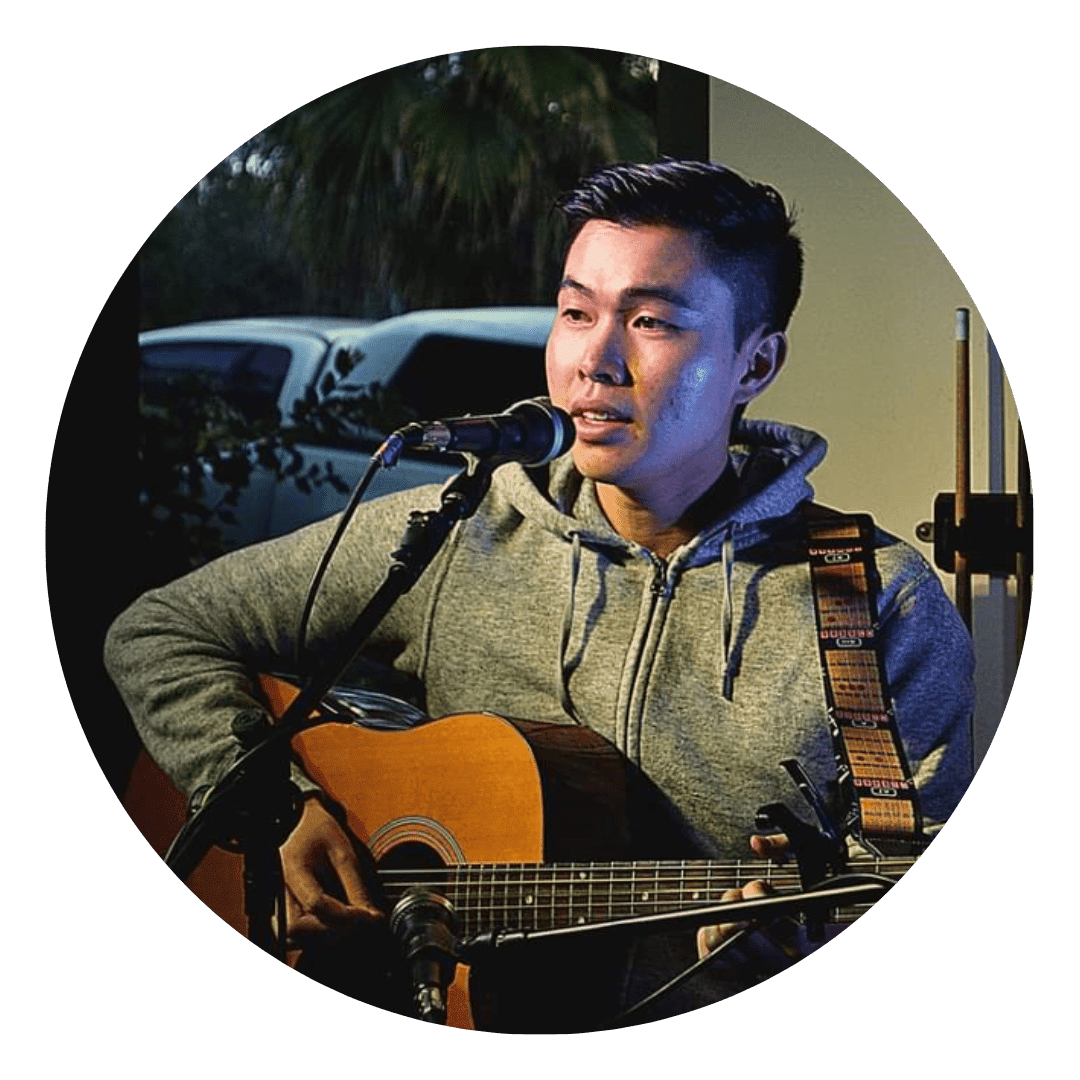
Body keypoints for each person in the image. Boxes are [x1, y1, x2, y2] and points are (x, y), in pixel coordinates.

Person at [104, 159, 974, 1030]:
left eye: (649, 321)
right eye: (575, 312)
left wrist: (801, 942)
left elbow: (904, 854)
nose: (595, 360)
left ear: (757, 363)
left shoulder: (875, 600)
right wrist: (273, 809)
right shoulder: (459, 532)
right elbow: (159, 630)